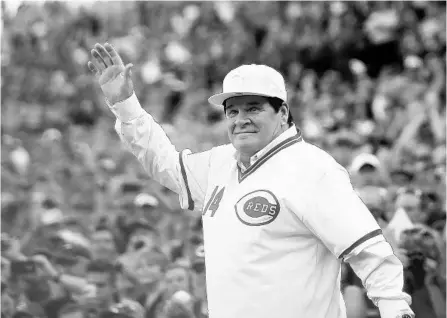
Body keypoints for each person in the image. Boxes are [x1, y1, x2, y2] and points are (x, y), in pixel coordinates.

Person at [88, 42, 414, 318]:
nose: (240, 120)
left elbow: (368, 251)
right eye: (233, 111)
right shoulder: (218, 164)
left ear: (282, 113)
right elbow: (165, 163)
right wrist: (126, 105)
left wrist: (396, 310)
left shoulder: (313, 169)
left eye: (253, 109)